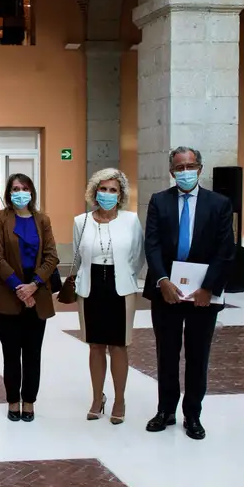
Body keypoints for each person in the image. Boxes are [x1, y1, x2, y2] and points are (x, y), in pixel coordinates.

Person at [144, 146, 234, 440]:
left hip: (202, 295)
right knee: (166, 353)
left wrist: (209, 288)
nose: (185, 171)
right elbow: (152, 244)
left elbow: (225, 250)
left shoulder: (219, 203)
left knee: (198, 355)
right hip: (166, 291)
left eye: (190, 166)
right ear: (172, 172)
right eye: (179, 168)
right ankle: (165, 410)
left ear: (200, 168)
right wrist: (161, 280)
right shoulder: (159, 201)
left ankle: (192, 414)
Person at [73, 168, 144, 425]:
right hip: (91, 288)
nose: (107, 194)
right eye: (103, 189)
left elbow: (137, 256)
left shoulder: (131, 220)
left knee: (119, 345)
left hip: (120, 288)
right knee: (95, 345)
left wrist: (125, 275)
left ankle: (120, 399)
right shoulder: (81, 221)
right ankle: (96, 397)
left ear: (120, 194)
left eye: (113, 190)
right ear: (94, 192)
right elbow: (78, 256)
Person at [0, 173, 59, 422]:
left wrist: (34, 285)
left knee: (32, 353)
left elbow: (52, 256)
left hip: (37, 293)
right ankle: (12, 401)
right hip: (9, 294)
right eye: (16, 188)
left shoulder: (43, 220)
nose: (20, 192)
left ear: (32, 192)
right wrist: (20, 287)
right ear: (8, 193)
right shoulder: (0, 218)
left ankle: (29, 401)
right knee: (11, 353)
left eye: (25, 188)